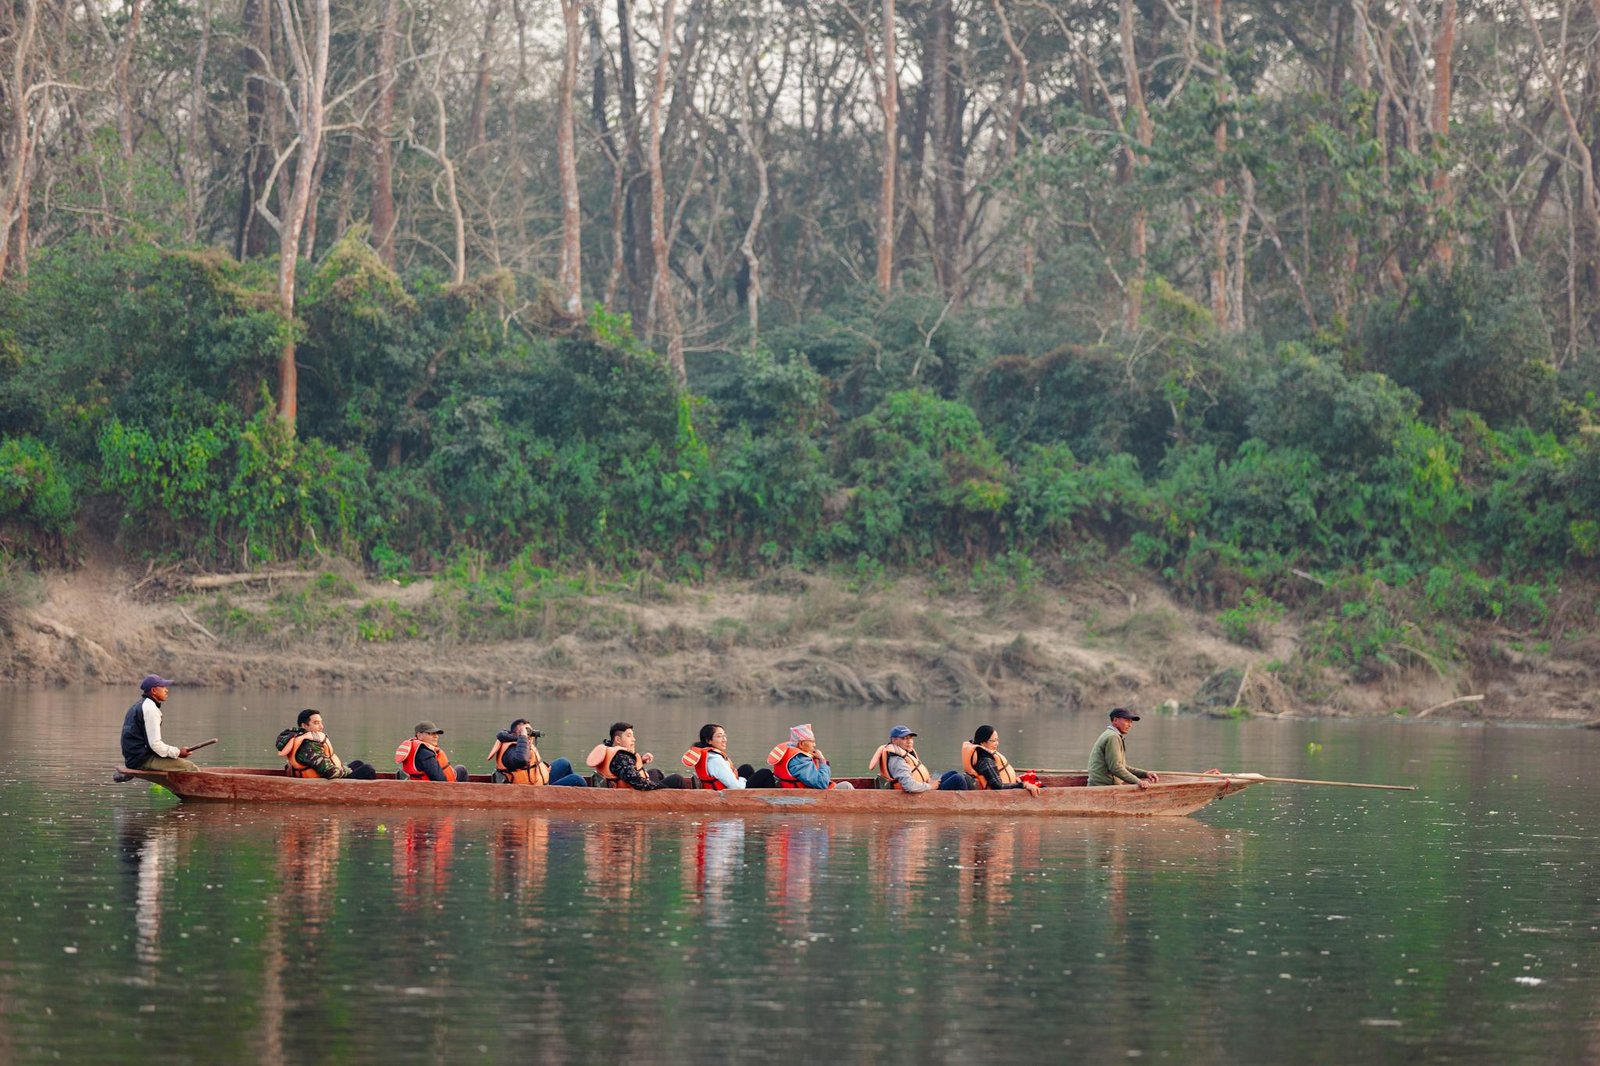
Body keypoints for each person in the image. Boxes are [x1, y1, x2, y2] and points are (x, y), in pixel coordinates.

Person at [120, 674, 199, 772]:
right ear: (153, 691)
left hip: (135, 758)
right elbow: (155, 745)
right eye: (163, 687)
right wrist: (178, 752)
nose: (166, 690)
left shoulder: (140, 705)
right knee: (190, 768)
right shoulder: (150, 710)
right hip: (141, 760)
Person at [276, 708, 377, 779]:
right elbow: (330, 772)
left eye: (321, 722)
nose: (321, 727)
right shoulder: (308, 745)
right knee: (368, 770)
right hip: (325, 781)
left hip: (323, 775)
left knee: (358, 763)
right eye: (316, 723)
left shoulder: (298, 737)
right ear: (304, 726)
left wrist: (344, 768)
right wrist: (348, 771)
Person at [488, 719, 587, 786]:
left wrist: (543, 769)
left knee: (564, 762)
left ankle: (566, 795)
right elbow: (521, 760)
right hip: (532, 791)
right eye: (527, 732)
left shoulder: (516, 742)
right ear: (516, 734)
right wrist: (523, 736)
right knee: (577, 779)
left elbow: (529, 765)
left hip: (538, 779)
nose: (529, 736)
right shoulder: (511, 749)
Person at [587, 722, 686, 789]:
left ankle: (665, 795)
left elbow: (621, 767)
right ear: (617, 740)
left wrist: (641, 760)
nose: (633, 739)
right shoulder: (620, 757)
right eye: (629, 736)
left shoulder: (610, 748)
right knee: (677, 779)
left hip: (628, 783)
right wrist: (661, 786)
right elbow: (637, 782)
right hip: (633, 791)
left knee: (655, 772)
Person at [955, 725, 1042, 795]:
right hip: (997, 790)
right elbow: (998, 786)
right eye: (993, 741)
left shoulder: (983, 755)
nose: (997, 743)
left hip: (1008, 783)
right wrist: (1024, 785)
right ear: (982, 743)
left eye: (997, 740)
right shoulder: (986, 760)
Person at [1088, 707, 1161, 788]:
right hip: (1102, 786)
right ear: (1115, 720)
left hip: (1103, 785)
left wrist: (1145, 774)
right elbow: (1115, 767)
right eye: (1127, 721)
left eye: (1131, 722)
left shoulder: (1111, 734)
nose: (1130, 725)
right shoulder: (1113, 737)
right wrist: (1138, 781)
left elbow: (1121, 766)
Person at [764, 724, 852, 790]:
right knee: (846, 786)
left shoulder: (792, 753)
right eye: (812, 741)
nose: (814, 744)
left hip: (806, 792)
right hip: (807, 797)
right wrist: (822, 760)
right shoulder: (799, 759)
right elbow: (822, 783)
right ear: (801, 744)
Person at [681, 723, 755, 790]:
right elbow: (736, 787)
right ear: (708, 741)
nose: (724, 740)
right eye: (719, 736)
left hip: (717, 787)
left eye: (724, 736)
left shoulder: (707, 754)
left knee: (746, 769)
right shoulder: (715, 760)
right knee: (764, 773)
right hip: (727, 794)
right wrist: (743, 780)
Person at [395, 721, 470, 781]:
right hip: (436, 790)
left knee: (460, 769)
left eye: (436, 733)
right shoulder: (425, 753)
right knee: (462, 770)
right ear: (419, 735)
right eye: (430, 733)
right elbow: (439, 779)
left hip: (419, 785)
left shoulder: (416, 749)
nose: (436, 736)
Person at [870, 725, 933, 792]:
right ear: (894, 741)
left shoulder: (904, 755)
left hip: (922, 787)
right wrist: (931, 786)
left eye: (911, 738)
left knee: (945, 777)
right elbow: (910, 786)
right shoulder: (897, 760)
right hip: (913, 794)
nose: (909, 741)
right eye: (904, 738)